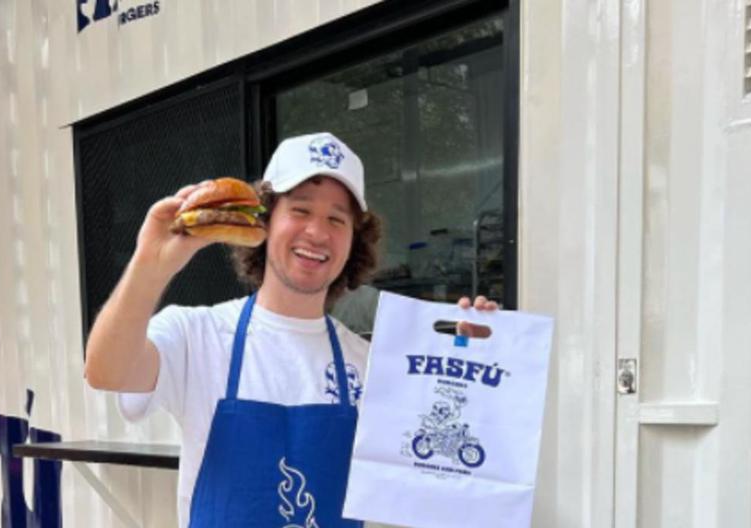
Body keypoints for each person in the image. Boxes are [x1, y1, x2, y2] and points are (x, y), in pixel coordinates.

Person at [84, 132, 499, 527]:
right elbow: (107, 371)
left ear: (355, 241)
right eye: (300, 210)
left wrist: (469, 355)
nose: (317, 232)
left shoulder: (369, 361)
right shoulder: (197, 335)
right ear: (263, 221)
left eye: (337, 219)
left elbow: (443, 476)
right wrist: (150, 264)